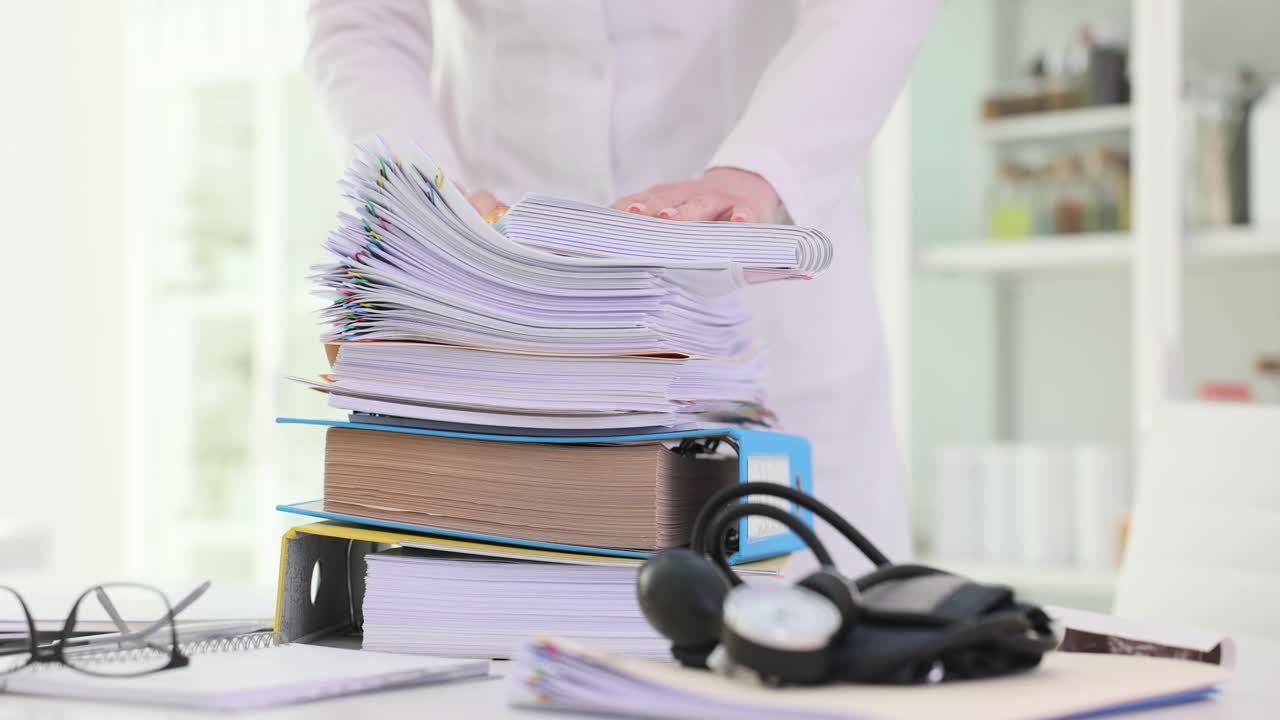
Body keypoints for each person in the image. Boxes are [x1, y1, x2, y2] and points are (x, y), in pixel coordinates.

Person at [306, 0, 938, 573]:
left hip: (755, 280)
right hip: (501, 289)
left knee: (807, 649)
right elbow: (362, 21)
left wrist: (759, 172)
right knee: (491, 656)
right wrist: (427, 192)